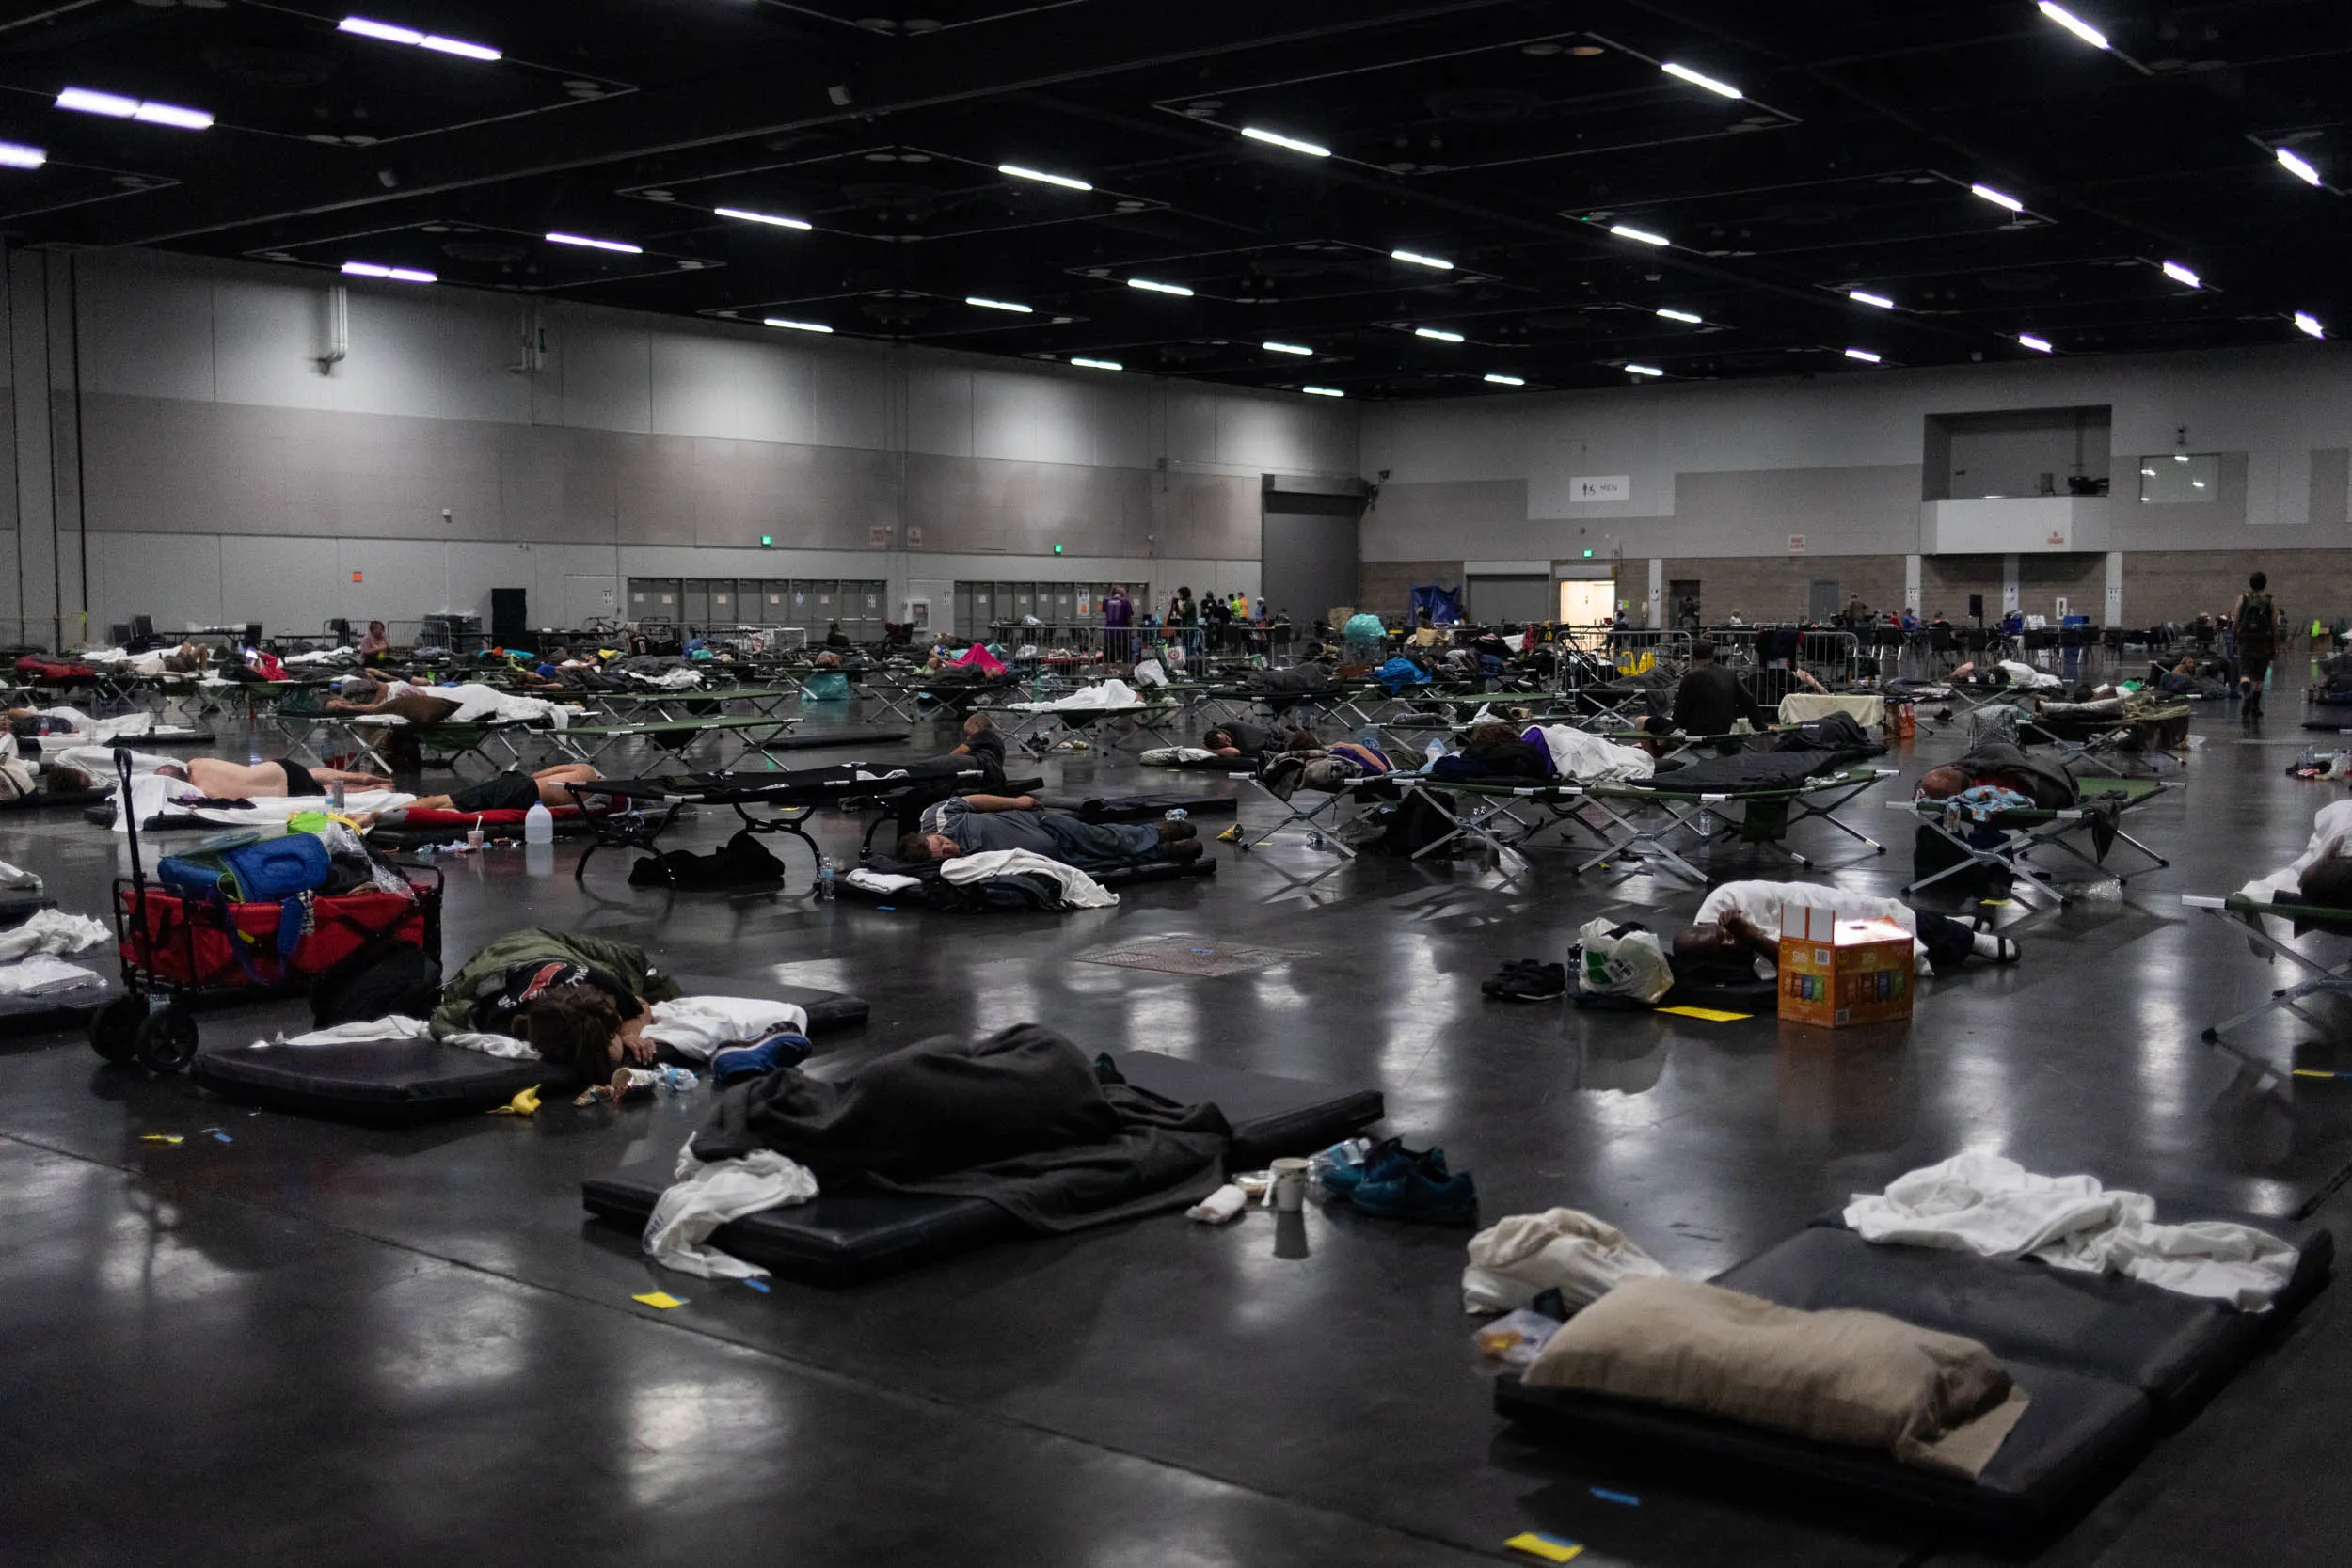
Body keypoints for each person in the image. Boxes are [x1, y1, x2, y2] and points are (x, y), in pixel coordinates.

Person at [428, 928, 686, 1085]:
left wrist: (631, 1033)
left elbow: (638, 1006)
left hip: (547, 945)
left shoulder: (601, 983)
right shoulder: (499, 1015)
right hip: (510, 955)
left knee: (648, 976)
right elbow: (447, 1015)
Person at [1671, 880, 2018, 984]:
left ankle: (1970, 941)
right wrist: (1750, 939)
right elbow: (1790, 961)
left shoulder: (1724, 903)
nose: (1731, 940)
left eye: (1725, 935)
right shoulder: (1725, 957)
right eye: (1726, 945)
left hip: (1798, 906)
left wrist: (1750, 934)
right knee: (1874, 932)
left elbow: (1788, 952)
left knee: (1882, 914)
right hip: (1781, 930)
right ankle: (1954, 926)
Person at [895, 793, 1202, 871]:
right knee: (1110, 860)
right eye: (944, 854)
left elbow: (972, 800)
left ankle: (1159, 831)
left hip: (1045, 826)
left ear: (929, 835)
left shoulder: (938, 818)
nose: (949, 848)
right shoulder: (952, 867)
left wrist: (1015, 802)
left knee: (1105, 839)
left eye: (942, 843)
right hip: (1055, 860)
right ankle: (1164, 851)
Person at [1644, 639, 1761, 736]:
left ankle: (1651, 756)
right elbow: (1748, 701)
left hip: (1696, 732)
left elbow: (1679, 714)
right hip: (1722, 730)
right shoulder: (1729, 674)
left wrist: (1673, 722)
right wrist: (1761, 727)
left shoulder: (1691, 678)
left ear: (1693, 656)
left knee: (1642, 721)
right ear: (1713, 654)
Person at [401, 763, 603, 815]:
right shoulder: (589, 799)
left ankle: (391, 813)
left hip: (524, 788)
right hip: (531, 804)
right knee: (463, 809)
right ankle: (415, 812)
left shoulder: (583, 768)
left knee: (446, 799)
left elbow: (537, 776)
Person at [151, 756, 392, 799]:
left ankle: (374, 790)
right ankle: (362, 777)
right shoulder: (196, 763)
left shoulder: (201, 793)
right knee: (312, 774)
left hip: (286, 790)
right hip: (278, 767)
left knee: (328, 793)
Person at [2234, 569, 2279, 721]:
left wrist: (2235, 637)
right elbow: (2274, 625)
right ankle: (2255, 706)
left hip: (2246, 640)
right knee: (2259, 677)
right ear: (2264, 584)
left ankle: (2246, 694)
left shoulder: (2243, 598)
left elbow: (2236, 620)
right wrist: (2274, 644)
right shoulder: (2270, 600)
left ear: (2250, 584)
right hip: (2263, 642)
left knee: (2245, 673)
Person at [1102, 586, 1134, 663]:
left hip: (1109, 633)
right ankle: (1124, 673)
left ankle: (1106, 673)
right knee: (1126, 657)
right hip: (1122, 634)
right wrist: (1131, 630)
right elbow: (1129, 619)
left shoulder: (1106, 601)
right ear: (1121, 593)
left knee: (1108, 657)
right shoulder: (1125, 602)